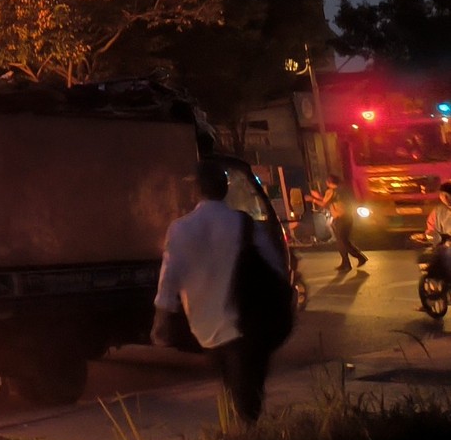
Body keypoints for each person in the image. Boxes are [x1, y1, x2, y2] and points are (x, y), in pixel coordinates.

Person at [152, 161, 290, 424]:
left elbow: (168, 278)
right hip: (248, 323)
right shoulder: (245, 224)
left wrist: (161, 320)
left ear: (196, 192)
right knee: (248, 397)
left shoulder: (180, 229)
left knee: (232, 389)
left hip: (207, 329)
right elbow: (276, 268)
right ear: (225, 189)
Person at [307, 179, 368, 272]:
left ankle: (359, 257)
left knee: (343, 242)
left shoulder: (331, 191)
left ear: (329, 182)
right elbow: (329, 201)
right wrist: (318, 197)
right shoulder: (341, 191)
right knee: (341, 241)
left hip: (341, 219)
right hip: (346, 218)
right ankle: (346, 263)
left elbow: (324, 203)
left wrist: (313, 199)